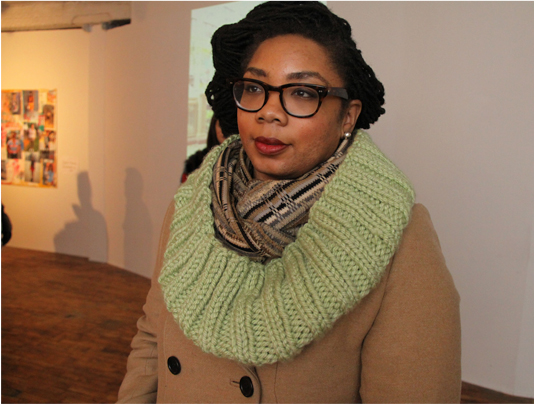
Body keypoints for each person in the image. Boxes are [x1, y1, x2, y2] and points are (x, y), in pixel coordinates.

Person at [118, 2, 461, 403]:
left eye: (302, 93)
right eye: (255, 88)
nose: (269, 112)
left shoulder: (399, 236)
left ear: (348, 116)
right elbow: (153, 335)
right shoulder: (195, 204)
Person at [180, 114, 226, 184]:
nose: (224, 131)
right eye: (220, 125)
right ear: (213, 127)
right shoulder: (195, 162)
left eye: (229, 127)